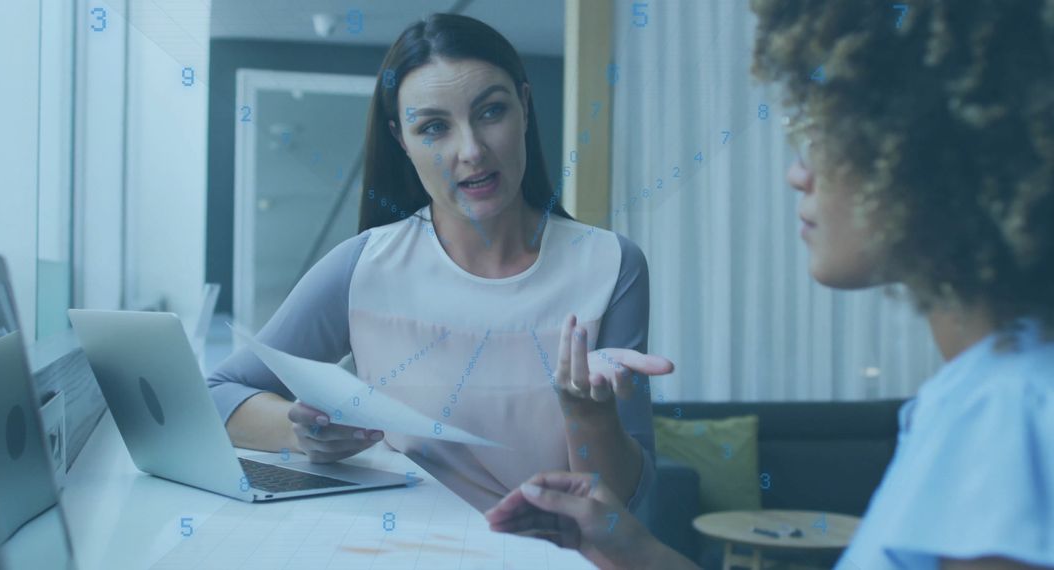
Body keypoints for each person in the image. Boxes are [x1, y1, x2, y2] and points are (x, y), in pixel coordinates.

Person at [485, 1, 1054, 568]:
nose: (797, 172)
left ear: (928, 154)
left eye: (824, 135)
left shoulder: (1004, 414)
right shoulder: (983, 393)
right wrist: (632, 547)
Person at [206, 13, 674, 514]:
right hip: (399, 545)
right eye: (433, 127)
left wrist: (592, 416)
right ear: (401, 140)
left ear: (525, 106)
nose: (471, 150)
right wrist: (300, 434)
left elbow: (626, 497)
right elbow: (215, 394)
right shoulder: (363, 267)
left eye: (491, 111)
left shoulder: (611, 266)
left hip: (551, 549)